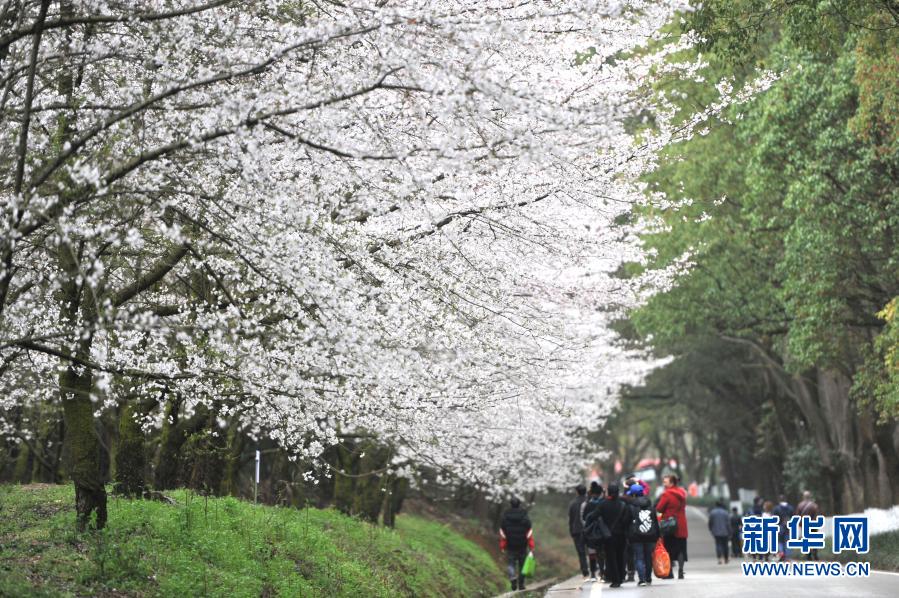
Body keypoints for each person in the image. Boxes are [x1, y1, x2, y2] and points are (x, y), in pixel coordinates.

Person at [597, 482, 633, 588]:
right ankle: (621, 576)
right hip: (621, 535)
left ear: (608, 492)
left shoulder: (603, 504)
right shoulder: (623, 505)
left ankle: (616, 580)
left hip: (608, 536)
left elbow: (594, 515)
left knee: (611, 557)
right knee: (620, 556)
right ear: (618, 492)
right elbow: (629, 519)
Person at [655, 474, 688, 579]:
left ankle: (669, 573)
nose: (664, 484)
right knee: (681, 549)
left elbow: (659, 508)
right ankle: (681, 571)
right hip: (681, 524)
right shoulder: (682, 493)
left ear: (671, 483)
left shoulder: (666, 494)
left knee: (668, 548)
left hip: (669, 525)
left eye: (665, 482)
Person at [626, 482, 659, 587]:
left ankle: (642, 579)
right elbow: (655, 521)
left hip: (636, 536)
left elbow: (627, 522)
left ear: (634, 494)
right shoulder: (650, 505)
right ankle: (648, 578)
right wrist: (658, 535)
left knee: (639, 557)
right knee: (648, 557)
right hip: (650, 535)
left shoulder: (631, 507)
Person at [499, 497, 535, 591]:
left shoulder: (506, 516)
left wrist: (502, 545)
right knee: (522, 565)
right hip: (522, 545)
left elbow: (503, 533)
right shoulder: (524, 515)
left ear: (511, 504)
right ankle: (521, 585)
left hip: (510, 545)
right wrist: (531, 545)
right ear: (519, 504)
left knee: (511, 564)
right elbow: (529, 532)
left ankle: (512, 578)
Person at [581, 482, 606, 582]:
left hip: (591, 532)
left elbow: (584, 518)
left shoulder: (588, 504)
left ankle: (592, 574)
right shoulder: (603, 503)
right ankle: (603, 572)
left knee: (592, 553)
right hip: (602, 531)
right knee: (602, 553)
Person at [568, 484, 589, 578]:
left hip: (577, 530)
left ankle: (584, 570)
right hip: (589, 529)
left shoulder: (573, 503)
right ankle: (595, 567)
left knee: (581, 552)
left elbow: (571, 519)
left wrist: (571, 531)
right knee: (592, 549)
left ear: (577, 492)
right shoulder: (589, 501)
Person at [795, 491, 820, 561]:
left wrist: (800, 525)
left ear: (803, 497)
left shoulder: (800, 505)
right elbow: (817, 516)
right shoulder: (814, 505)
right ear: (810, 497)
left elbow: (798, 516)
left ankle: (808, 555)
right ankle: (815, 554)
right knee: (814, 539)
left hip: (805, 525)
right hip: (813, 524)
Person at [708, 500, 732, 564]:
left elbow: (710, 522)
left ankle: (719, 559)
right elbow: (728, 523)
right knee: (725, 545)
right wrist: (730, 531)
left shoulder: (712, 512)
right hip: (725, 532)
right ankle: (726, 559)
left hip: (716, 532)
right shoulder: (725, 512)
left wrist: (711, 529)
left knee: (718, 545)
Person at [772, 494, 795, 562]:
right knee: (787, 541)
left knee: (780, 541)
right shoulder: (790, 508)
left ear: (779, 500)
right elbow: (793, 517)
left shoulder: (776, 508)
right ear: (785, 499)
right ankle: (787, 557)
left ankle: (781, 553)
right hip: (788, 526)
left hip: (779, 526)